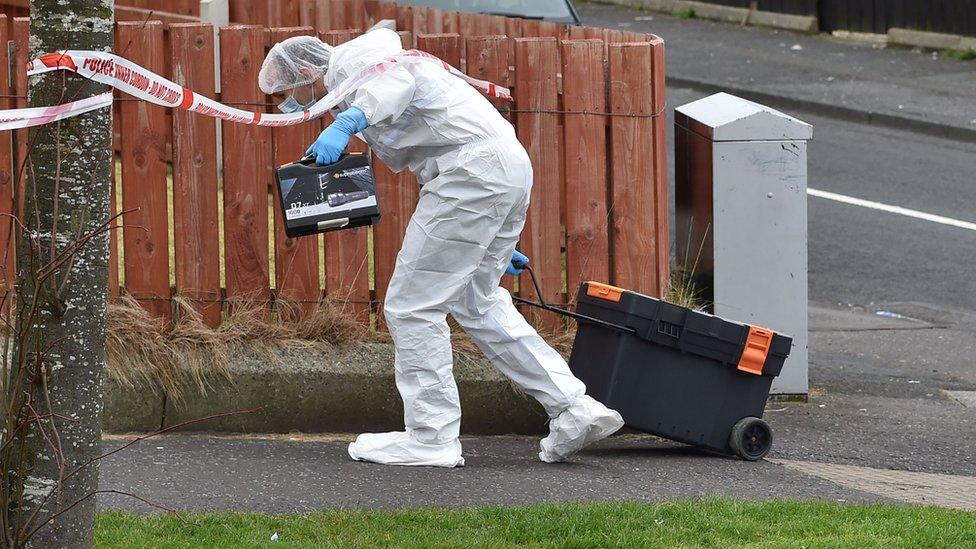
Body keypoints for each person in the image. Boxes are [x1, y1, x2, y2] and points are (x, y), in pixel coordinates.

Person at [259, 28, 623, 468]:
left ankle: (430, 437)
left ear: (304, 72)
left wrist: (346, 122)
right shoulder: (366, 70)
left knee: (412, 307)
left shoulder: (358, 66)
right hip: (499, 170)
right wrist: (487, 241)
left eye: (286, 93)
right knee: (478, 300)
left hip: (470, 176)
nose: (288, 105)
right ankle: (574, 407)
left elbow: (395, 84)